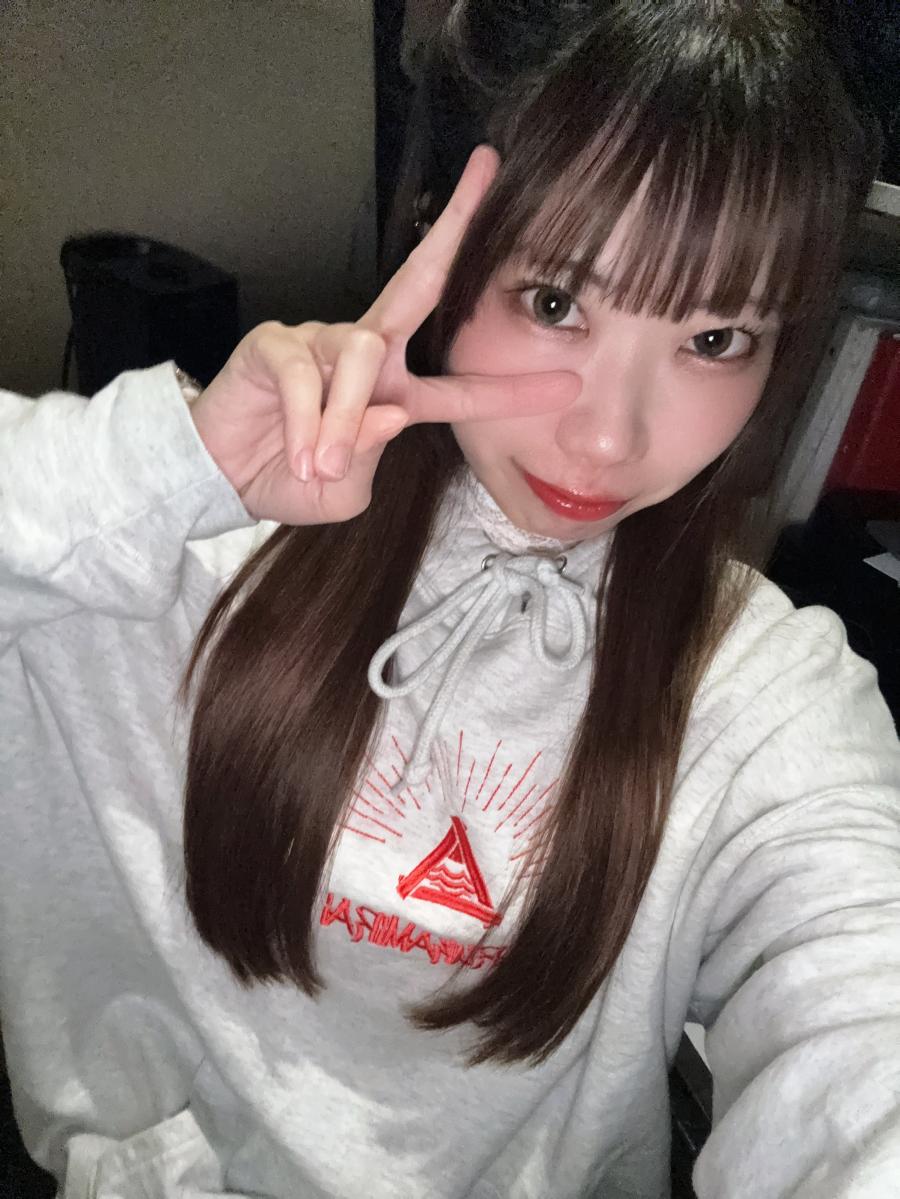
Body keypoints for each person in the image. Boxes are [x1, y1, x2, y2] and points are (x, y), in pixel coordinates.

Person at [2, 2, 898, 1196]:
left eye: (717, 337)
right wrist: (173, 468)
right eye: (557, 301)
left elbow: (863, 1036)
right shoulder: (161, 549)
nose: (608, 436)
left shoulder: (763, 694)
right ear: (445, 250)